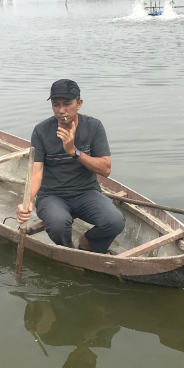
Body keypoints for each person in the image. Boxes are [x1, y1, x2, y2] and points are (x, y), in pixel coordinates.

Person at [16, 79, 125, 254]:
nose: (61, 110)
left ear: (79, 103)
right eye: (56, 104)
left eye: (67, 104)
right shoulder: (41, 131)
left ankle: (88, 242)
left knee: (115, 221)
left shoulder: (94, 127)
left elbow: (105, 169)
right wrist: (27, 202)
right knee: (58, 223)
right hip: (51, 195)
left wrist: (74, 151)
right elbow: (37, 171)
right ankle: (69, 251)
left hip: (86, 192)